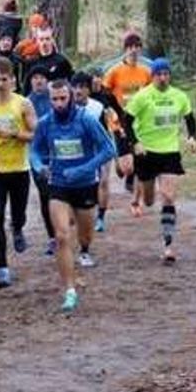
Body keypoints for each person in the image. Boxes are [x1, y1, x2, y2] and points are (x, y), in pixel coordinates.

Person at [29, 79, 116, 312]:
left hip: (85, 185)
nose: (59, 103)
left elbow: (108, 149)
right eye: (54, 99)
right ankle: (69, 290)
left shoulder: (86, 120)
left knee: (84, 236)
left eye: (63, 98)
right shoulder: (45, 123)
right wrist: (39, 166)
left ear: (70, 97)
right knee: (61, 236)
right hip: (58, 184)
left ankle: (84, 249)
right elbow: (34, 151)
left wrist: (84, 169)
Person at [123, 58, 196, 263]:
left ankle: (168, 245)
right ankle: (140, 194)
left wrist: (192, 137)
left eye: (166, 74)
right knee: (149, 201)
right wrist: (135, 143)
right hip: (146, 153)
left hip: (170, 152)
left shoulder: (179, 96)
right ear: (153, 76)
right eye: (159, 75)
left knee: (169, 196)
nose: (163, 78)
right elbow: (127, 120)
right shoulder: (142, 96)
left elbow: (190, 118)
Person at [0, 57, 37, 287]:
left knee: (18, 213)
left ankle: (18, 227)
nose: (0, 83)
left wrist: (14, 134)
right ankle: (2, 268)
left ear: (12, 80)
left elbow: (35, 134)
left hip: (19, 168)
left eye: (4, 79)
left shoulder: (23, 104)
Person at [71, 72, 127, 233]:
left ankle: (100, 217)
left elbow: (106, 133)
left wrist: (117, 160)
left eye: (82, 87)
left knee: (103, 181)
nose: (78, 91)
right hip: (79, 151)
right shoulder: (66, 106)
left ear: (89, 90)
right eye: (75, 87)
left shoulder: (97, 107)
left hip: (100, 149)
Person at [103, 31, 153, 200]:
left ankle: (130, 180)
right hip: (119, 121)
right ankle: (120, 163)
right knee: (126, 167)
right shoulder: (114, 72)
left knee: (138, 152)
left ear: (140, 50)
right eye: (130, 47)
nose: (133, 50)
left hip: (138, 121)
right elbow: (105, 93)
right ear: (125, 50)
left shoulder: (146, 72)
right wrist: (111, 110)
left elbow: (151, 94)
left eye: (137, 47)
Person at [26, 71, 57, 255]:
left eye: (41, 77)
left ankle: (64, 231)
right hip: (37, 155)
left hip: (58, 153)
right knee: (45, 196)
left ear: (47, 80)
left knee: (61, 195)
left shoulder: (55, 98)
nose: (38, 81)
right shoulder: (26, 102)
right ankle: (52, 237)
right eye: (35, 78)